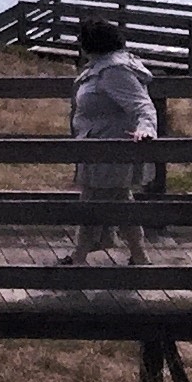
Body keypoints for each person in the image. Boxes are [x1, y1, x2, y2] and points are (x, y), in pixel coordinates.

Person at [61, 16, 156, 265]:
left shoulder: (115, 71)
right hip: (96, 148)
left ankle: (79, 257)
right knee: (118, 203)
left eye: (81, 39)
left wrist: (146, 129)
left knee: (94, 204)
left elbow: (142, 106)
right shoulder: (102, 66)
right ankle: (137, 256)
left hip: (110, 150)